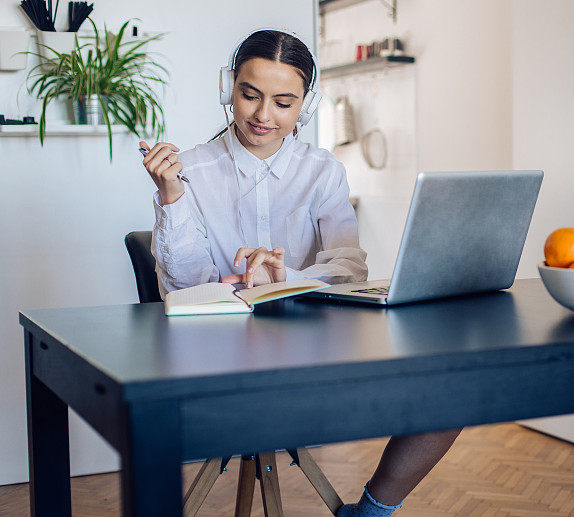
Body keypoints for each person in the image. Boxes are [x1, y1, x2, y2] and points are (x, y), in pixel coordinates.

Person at [142, 28, 461, 516]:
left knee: (453, 392)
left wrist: (283, 276)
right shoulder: (188, 171)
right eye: (249, 95)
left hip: (314, 351)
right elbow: (188, 287)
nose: (263, 115)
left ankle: (373, 510)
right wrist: (171, 197)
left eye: (284, 102)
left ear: (306, 106)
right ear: (228, 88)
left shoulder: (323, 171)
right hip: (219, 362)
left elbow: (349, 265)